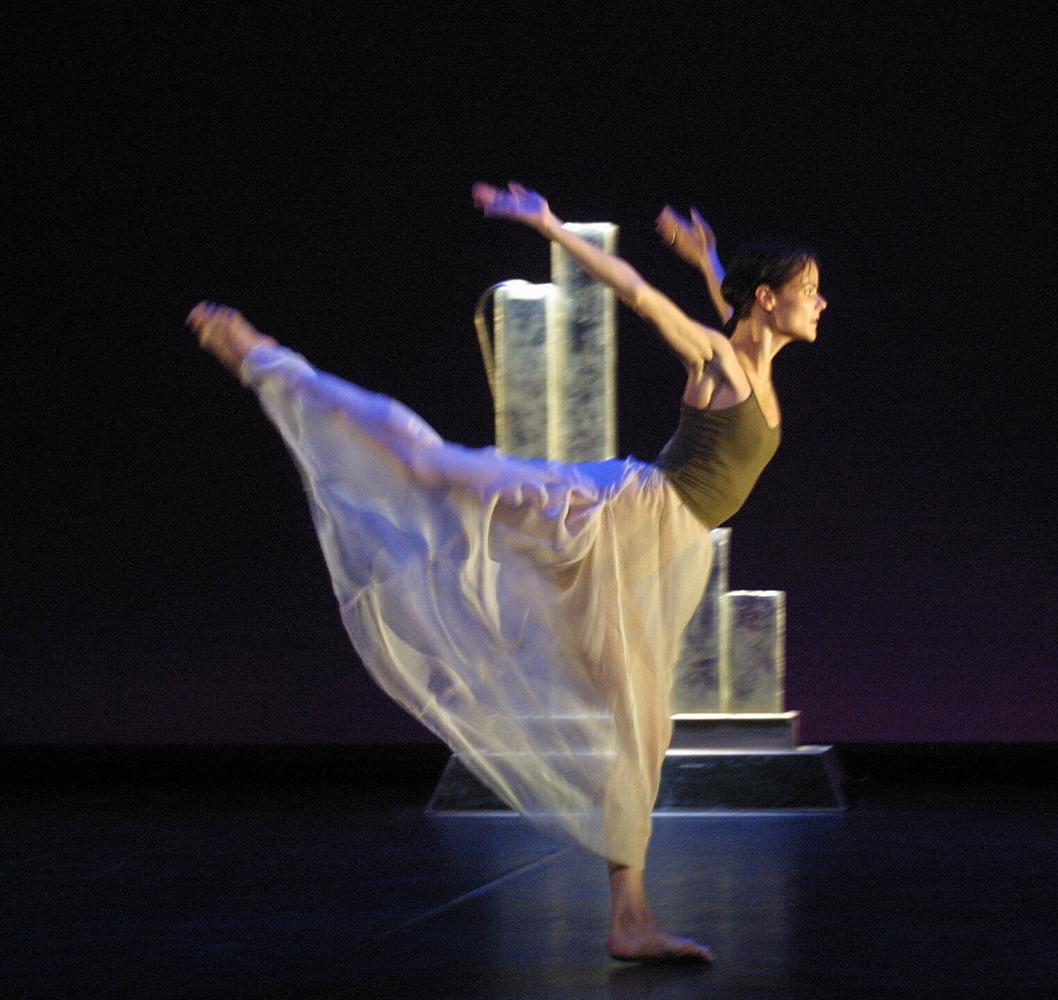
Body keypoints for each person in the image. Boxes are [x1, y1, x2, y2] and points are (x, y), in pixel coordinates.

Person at [186, 181, 826, 964]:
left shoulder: (749, 358)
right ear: (770, 299)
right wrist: (550, 224)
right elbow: (636, 293)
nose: (821, 302)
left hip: (646, 565)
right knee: (436, 465)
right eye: (809, 290)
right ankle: (266, 360)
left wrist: (709, 258)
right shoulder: (722, 360)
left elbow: (733, 311)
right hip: (611, 514)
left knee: (646, 732)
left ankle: (630, 921)